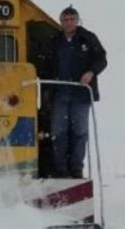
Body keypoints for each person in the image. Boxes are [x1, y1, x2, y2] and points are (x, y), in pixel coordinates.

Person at [48, 6, 107, 178]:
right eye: (65, 20)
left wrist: (91, 72)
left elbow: (102, 58)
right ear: (61, 22)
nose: (68, 22)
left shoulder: (88, 38)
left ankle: (76, 168)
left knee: (79, 132)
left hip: (81, 94)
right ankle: (60, 169)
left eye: (71, 19)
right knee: (58, 132)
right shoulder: (54, 41)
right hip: (59, 93)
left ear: (77, 20)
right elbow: (46, 64)